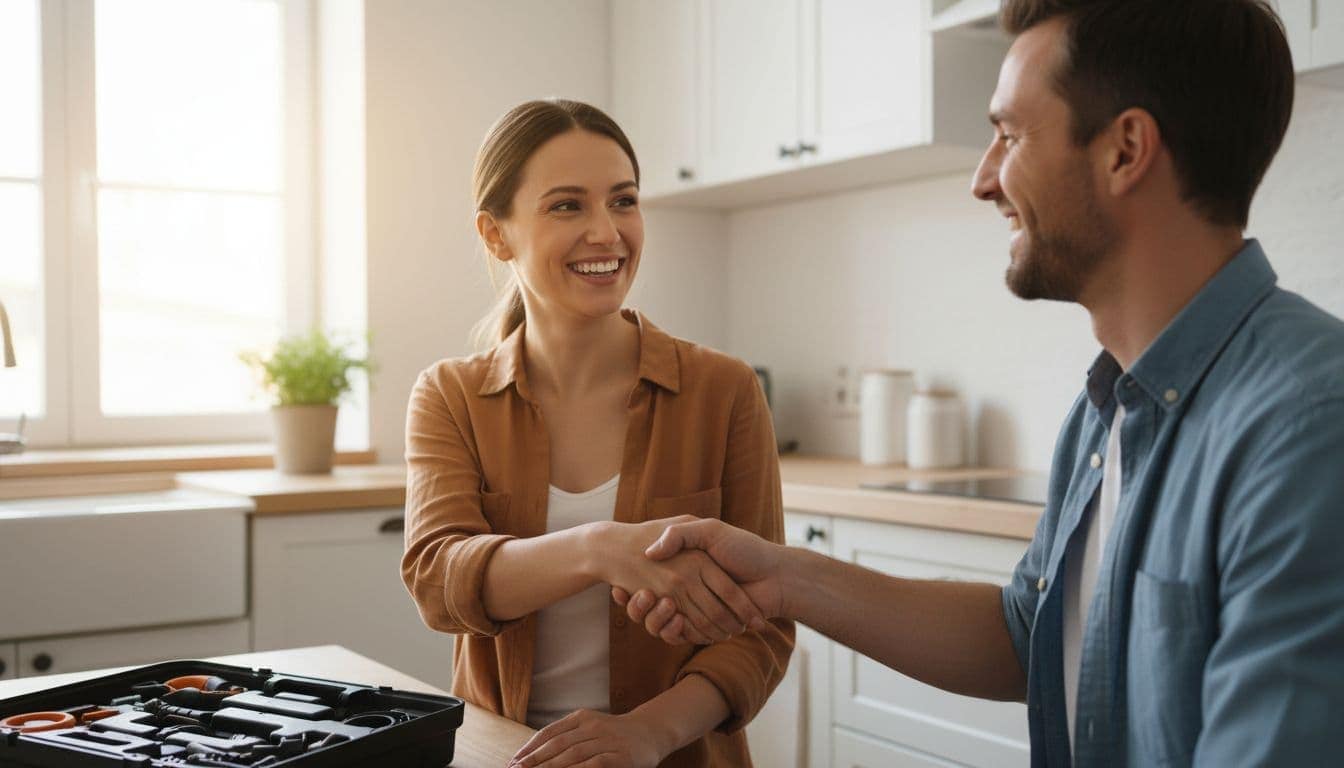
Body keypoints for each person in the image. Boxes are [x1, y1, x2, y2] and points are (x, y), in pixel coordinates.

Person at [616, 1, 1344, 765]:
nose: (983, 179)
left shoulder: (1307, 429)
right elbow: (1031, 633)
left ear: (1126, 150)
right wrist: (783, 577)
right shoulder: (1107, 410)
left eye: (1010, 135)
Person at [401, 98, 793, 768]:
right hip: (504, 755)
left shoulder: (724, 391)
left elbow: (763, 627)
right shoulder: (451, 395)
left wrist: (648, 732)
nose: (607, 232)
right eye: (566, 206)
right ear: (497, 235)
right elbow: (440, 581)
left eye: (623, 201)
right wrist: (597, 549)